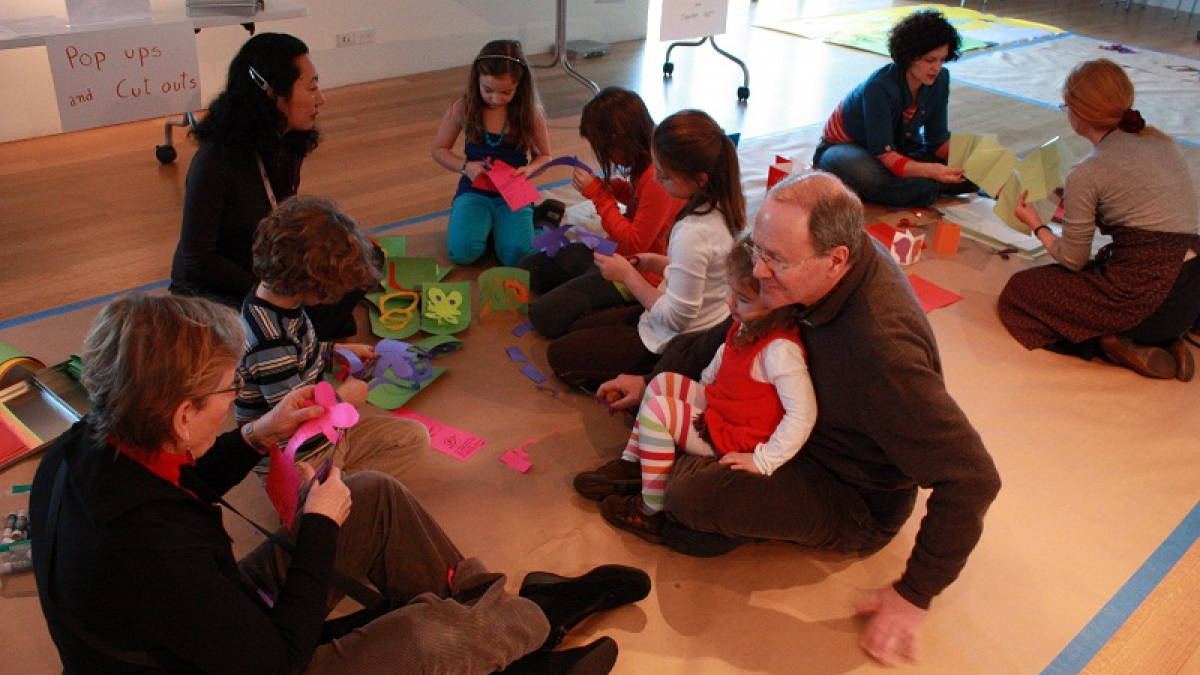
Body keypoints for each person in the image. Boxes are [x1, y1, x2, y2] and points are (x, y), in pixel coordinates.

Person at [29, 293, 651, 675]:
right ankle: (535, 622)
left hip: (196, 625)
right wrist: (319, 524)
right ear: (182, 415)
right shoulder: (151, 548)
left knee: (372, 494)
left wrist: (259, 432)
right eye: (228, 391)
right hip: (239, 655)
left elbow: (181, 483)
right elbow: (278, 659)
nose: (236, 397)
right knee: (416, 636)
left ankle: (500, 626)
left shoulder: (88, 445)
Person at [581, 172, 1001, 667]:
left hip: (848, 489)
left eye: (775, 259)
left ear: (835, 259)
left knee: (691, 497)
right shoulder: (809, 269)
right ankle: (662, 456)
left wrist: (914, 594)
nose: (759, 271)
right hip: (772, 416)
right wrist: (651, 378)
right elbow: (735, 324)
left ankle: (677, 503)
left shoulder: (883, 356)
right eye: (758, 249)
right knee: (669, 376)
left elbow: (973, 478)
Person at [578, 235, 817, 544]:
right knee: (663, 383)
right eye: (732, 293)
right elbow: (721, 362)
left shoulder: (781, 350)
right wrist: (699, 392)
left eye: (742, 299)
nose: (731, 303)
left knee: (657, 413)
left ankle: (651, 510)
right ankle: (633, 465)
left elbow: (803, 413)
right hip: (723, 410)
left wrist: (764, 460)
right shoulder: (749, 324)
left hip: (738, 436)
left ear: (779, 304)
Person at [998, 58, 1200, 381]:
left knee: (1020, 293)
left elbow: (1073, 260)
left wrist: (1037, 225)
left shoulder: (1090, 171)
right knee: (1105, 271)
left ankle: (1114, 342)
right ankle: (1166, 339)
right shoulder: (1162, 144)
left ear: (1078, 115)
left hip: (1146, 302)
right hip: (1190, 297)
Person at [169, 33, 363, 340]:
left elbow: (285, 224)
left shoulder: (288, 142)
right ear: (273, 94)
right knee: (274, 330)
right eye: (311, 88)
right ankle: (318, 327)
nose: (321, 98)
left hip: (266, 271)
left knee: (361, 265)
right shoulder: (214, 159)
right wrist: (269, 292)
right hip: (214, 290)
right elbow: (198, 257)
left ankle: (317, 325)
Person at [546, 109, 744, 390]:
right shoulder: (723, 202)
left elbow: (676, 319)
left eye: (664, 176)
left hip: (677, 340)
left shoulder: (694, 232)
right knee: (576, 327)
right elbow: (703, 275)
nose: (657, 181)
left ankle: (658, 378)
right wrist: (654, 262)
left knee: (559, 353)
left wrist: (627, 274)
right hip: (680, 317)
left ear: (699, 179)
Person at [237, 196, 427, 476]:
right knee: (354, 496)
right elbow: (291, 417)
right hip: (299, 458)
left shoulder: (283, 303)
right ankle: (320, 497)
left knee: (415, 437)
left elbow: (300, 353)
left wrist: (332, 350)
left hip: (332, 435)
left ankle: (338, 483)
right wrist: (342, 399)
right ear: (309, 283)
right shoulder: (270, 342)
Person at [521, 87, 684, 338]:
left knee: (543, 316)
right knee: (526, 271)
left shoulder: (656, 176)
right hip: (613, 255)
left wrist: (600, 195)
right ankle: (591, 290)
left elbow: (632, 244)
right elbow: (639, 203)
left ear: (619, 138)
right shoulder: (644, 164)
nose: (603, 156)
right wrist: (613, 188)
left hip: (638, 273)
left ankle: (619, 308)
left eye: (603, 148)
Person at [812, 9, 976, 208]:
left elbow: (937, 141)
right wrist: (931, 171)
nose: (937, 68)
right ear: (909, 57)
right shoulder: (879, 86)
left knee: (964, 166)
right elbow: (885, 154)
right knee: (870, 176)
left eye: (942, 59)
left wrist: (975, 159)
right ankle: (934, 187)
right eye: (930, 60)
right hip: (844, 146)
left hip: (897, 146)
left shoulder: (940, 80)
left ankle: (928, 186)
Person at [431, 39, 552, 266]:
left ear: (520, 86)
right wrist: (466, 167)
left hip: (513, 192)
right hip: (475, 190)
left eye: (506, 92)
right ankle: (490, 229)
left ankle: (541, 220)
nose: (496, 99)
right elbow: (438, 149)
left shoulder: (530, 113)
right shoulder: (464, 106)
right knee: (462, 253)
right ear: (476, 78)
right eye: (488, 90)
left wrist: (530, 170)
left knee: (518, 257)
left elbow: (545, 156)